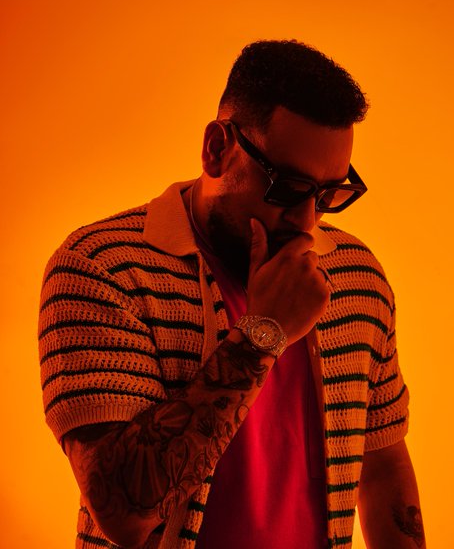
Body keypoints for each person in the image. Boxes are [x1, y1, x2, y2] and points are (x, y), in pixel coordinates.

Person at [38, 40, 425, 549]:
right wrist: (265, 333)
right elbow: (125, 514)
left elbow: (382, 465)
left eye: (329, 194)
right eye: (287, 188)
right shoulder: (103, 268)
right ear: (217, 148)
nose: (306, 220)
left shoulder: (355, 274)